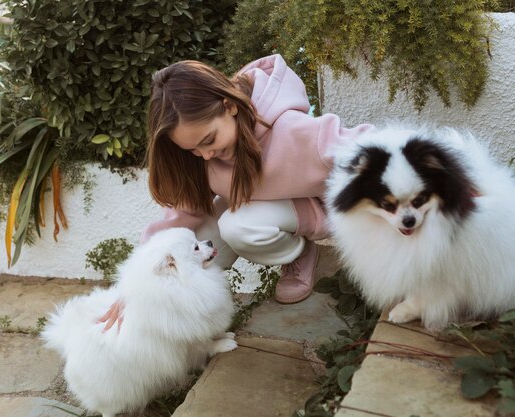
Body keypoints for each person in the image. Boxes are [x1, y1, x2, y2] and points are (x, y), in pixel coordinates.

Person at [99, 54, 373, 331]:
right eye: (193, 150)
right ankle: (184, 326)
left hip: (308, 211)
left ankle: (298, 253)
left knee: (237, 226)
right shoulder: (203, 156)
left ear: (228, 106)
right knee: (189, 248)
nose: (205, 155)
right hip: (255, 209)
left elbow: (370, 146)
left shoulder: (291, 128)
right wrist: (134, 286)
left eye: (209, 140)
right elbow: (178, 218)